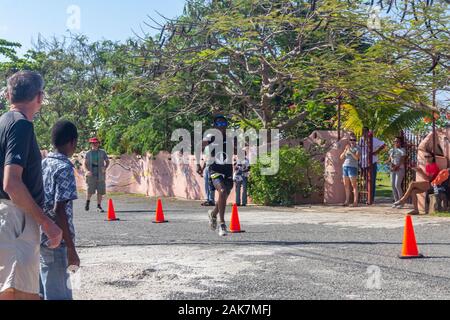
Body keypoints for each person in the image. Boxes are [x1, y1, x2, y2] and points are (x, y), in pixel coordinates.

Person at [0, 71, 62, 300]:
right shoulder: (21, 125)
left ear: (8, 95)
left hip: (7, 218)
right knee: (20, 293)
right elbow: (12, 183)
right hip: (16, 218)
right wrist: (46, 222)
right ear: (39, 97)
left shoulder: (3, 123)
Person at [40, 120, 80, 300]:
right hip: (58, 239)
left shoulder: (43, 164)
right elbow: (60, 209)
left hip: (40, 235)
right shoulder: (64, 168)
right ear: (72, 142)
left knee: (44, 290)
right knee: (59, 294)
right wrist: (71, 249)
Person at [201, 114, 235, 237]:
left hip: (227, 169)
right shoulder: (211, 136)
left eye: (224, 123)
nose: (221, 126)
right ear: (215, 126)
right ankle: (222, 224)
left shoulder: (230, 137)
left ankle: (213, 214)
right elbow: (202, 145)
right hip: (214, 169)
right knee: (221, 191)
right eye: (219, 124)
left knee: (224, 195)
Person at [360, 127, 386, 202]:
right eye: (363, 131)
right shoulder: (361, 139)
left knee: (372, 181)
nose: (364, 133)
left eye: (365, 131)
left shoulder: (374, 139)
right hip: (363, 163)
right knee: (365, 181)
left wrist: (376, 152)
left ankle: (371, 198)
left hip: (372, 163)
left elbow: (384, 145)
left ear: (368, 132)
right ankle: (365, 197)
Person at [84, 137, 110, 212]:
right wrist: (87, 171)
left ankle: (99, 206)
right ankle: (87, 201)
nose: (94, 144)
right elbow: (84, 163)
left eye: (96, 143)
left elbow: (107, 161)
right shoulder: (88, 153)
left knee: (100, 190)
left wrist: (105, 167)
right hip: (91, 173)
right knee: (90, 189)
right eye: (93, 143)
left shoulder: (102, 152)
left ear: (98, 144)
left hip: (100, 174)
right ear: (91, 144)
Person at [340, 135, 361, 207]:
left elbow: (357, 158)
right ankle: (347, 201)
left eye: (354, 140)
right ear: (349, 140)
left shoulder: (357, 148)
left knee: (354, 185)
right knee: (346, 185)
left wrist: (351, 152)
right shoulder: (347, 147)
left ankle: (355, 202)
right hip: (345, 166)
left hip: (352, 167)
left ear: (356, 141)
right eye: (351, 140)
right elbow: (341, 157)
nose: (352, 141)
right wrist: (346, 150)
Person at [197, 134, 216, 207]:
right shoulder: (206, 148)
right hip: (207, 166)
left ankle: (211, 200)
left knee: (211, 183)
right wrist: (202, 168)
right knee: (206, 184)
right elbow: (206, 159)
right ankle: (208, 199)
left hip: (213, 166)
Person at [389, 137, 407, 208]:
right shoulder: (391, 150)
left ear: (400, 142)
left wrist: (396, 167)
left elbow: (402, 160)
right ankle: (396, 201)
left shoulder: (402, 150)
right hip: (393, 169)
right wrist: (391, 166)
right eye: (395, 141)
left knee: (397, 185)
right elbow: (390, 159)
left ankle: (401, 202)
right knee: (393, 185)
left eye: (398, 141)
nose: (396, 143)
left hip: (400, 169)